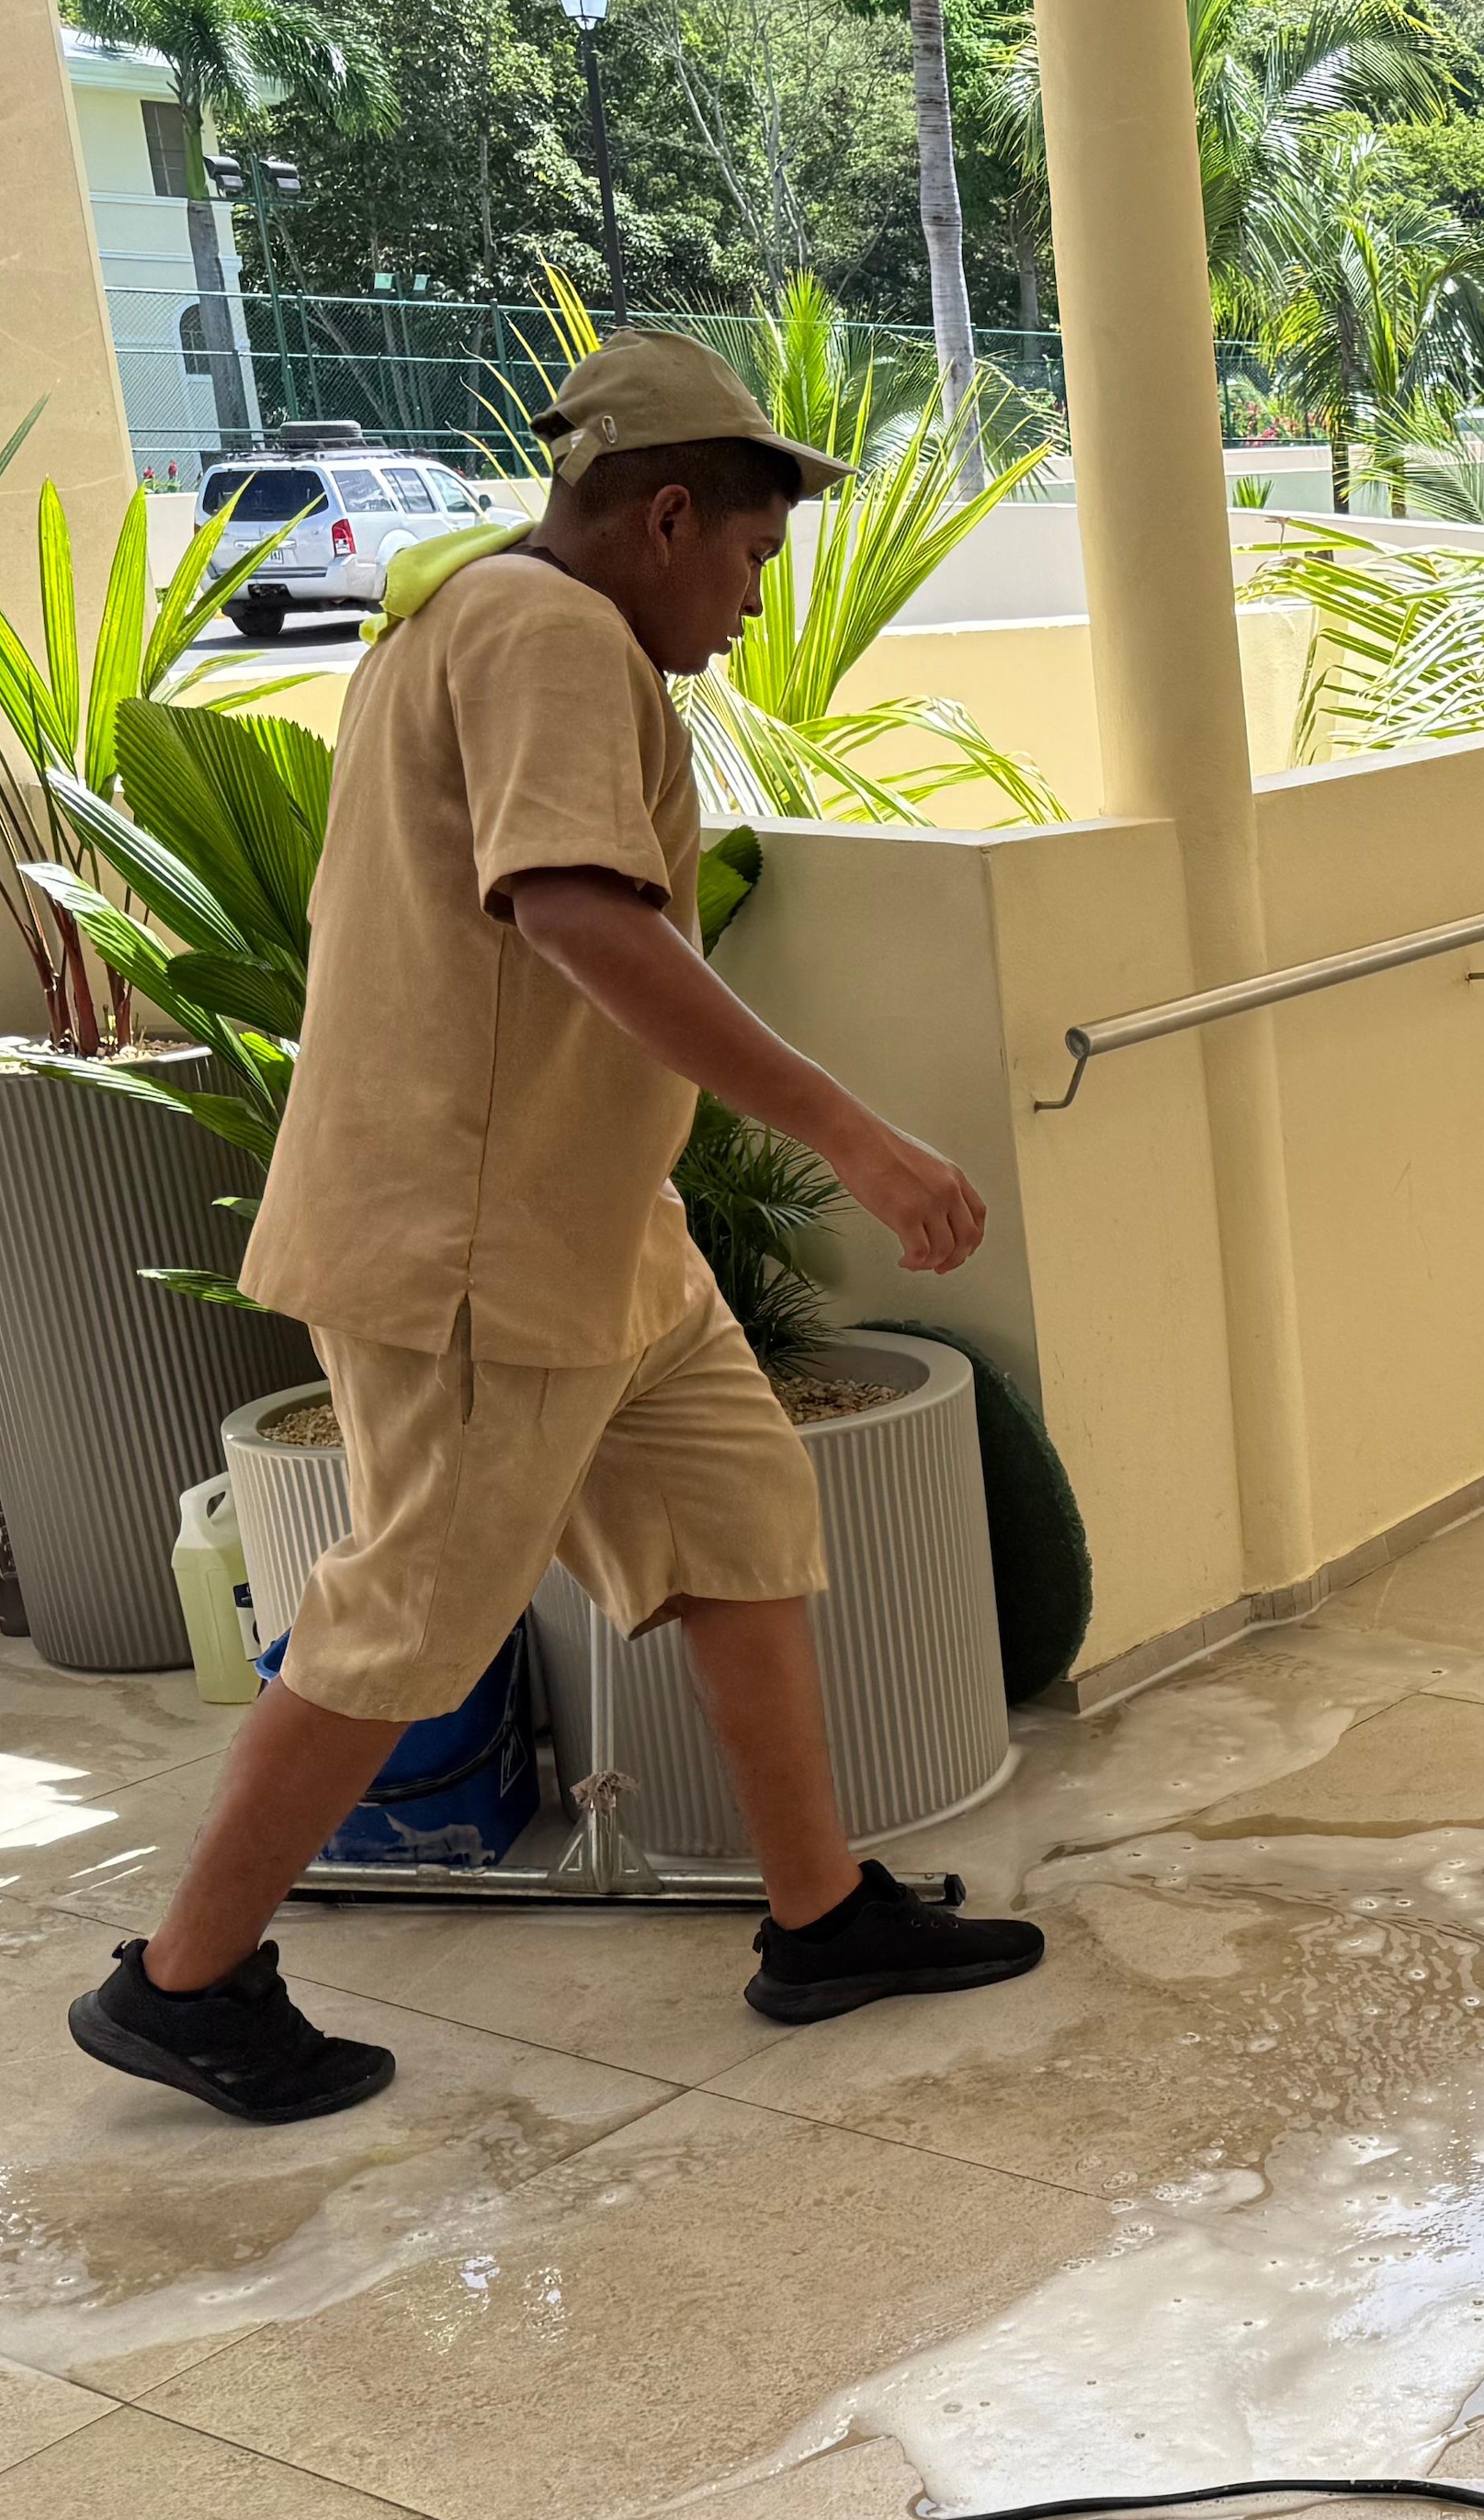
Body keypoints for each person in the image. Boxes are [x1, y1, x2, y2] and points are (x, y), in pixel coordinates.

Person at [68, 333, 1051, 2124]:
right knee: (412, 1613)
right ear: (665, 514)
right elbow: (580, 916)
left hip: (587, 1223)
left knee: (737, 1508)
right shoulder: (549, 635)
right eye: (750, 554)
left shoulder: (470, 613)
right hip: (477, 1244)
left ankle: (819, 1915)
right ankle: (184, 1982)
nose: (755, 600)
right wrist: (858, 1139)